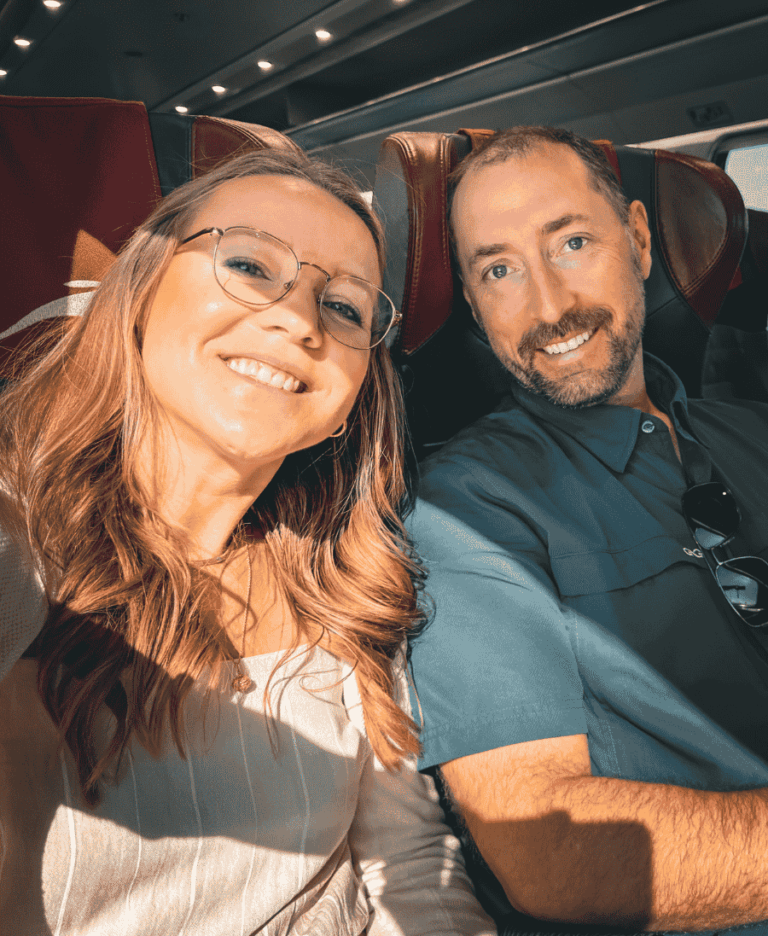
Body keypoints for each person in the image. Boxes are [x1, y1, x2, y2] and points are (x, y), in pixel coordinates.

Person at [0, 147, 494, 935]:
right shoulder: (15, 551)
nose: (297, 320)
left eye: (343, 308)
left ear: (346, 403)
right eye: (249, 265)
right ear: (136, 295)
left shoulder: (348, 579)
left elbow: (408, 865)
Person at [406, 126, 768, 935]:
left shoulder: (752, 430)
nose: (548, 306)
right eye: (498, 269)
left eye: (571, 241)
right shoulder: (467, 512)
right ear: (470, 300)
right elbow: (548, 853)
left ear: (639, 240)